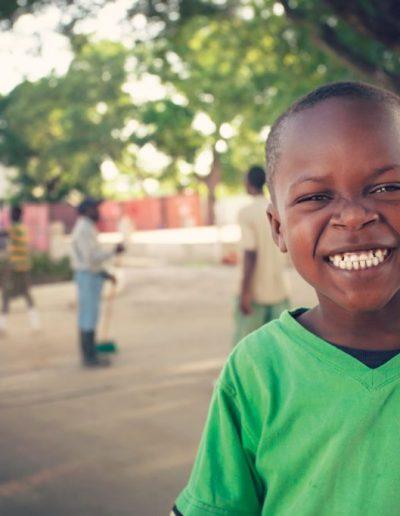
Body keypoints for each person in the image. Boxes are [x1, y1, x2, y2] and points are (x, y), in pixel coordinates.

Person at [172, 81, 400, 515]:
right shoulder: (257, 370)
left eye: (388, 188)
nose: (354, 216)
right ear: (278, 228)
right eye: (315, 197)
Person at [233, 165, 288, 345]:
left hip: (255, 294)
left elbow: (250, 253)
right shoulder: (277, 209)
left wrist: (245, 292)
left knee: (246, 347)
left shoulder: (246, 213)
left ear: (248, 183)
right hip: (278, 290)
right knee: (278, 347)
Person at [71, 197, 124, 366]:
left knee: (90, 315)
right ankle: (89, 357)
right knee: (88, 315)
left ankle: (91, 352)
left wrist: (105, 274)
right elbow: (91, 258)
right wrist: (113, 251)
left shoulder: (88, 227)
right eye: (95, 208)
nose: (98, 212)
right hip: (87, 276)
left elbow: (92, 259)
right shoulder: (84, 229)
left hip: (91, 275)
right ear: (87, 210)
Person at [0, 205, 40, 336]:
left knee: (6, 295)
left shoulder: (15, 229)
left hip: (15, 268)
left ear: (13, 215)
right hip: (24, 267)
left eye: (11, 214)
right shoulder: (22, 228)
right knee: (26, 294)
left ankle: (2, 326)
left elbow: (3, 233)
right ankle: (35, 324)